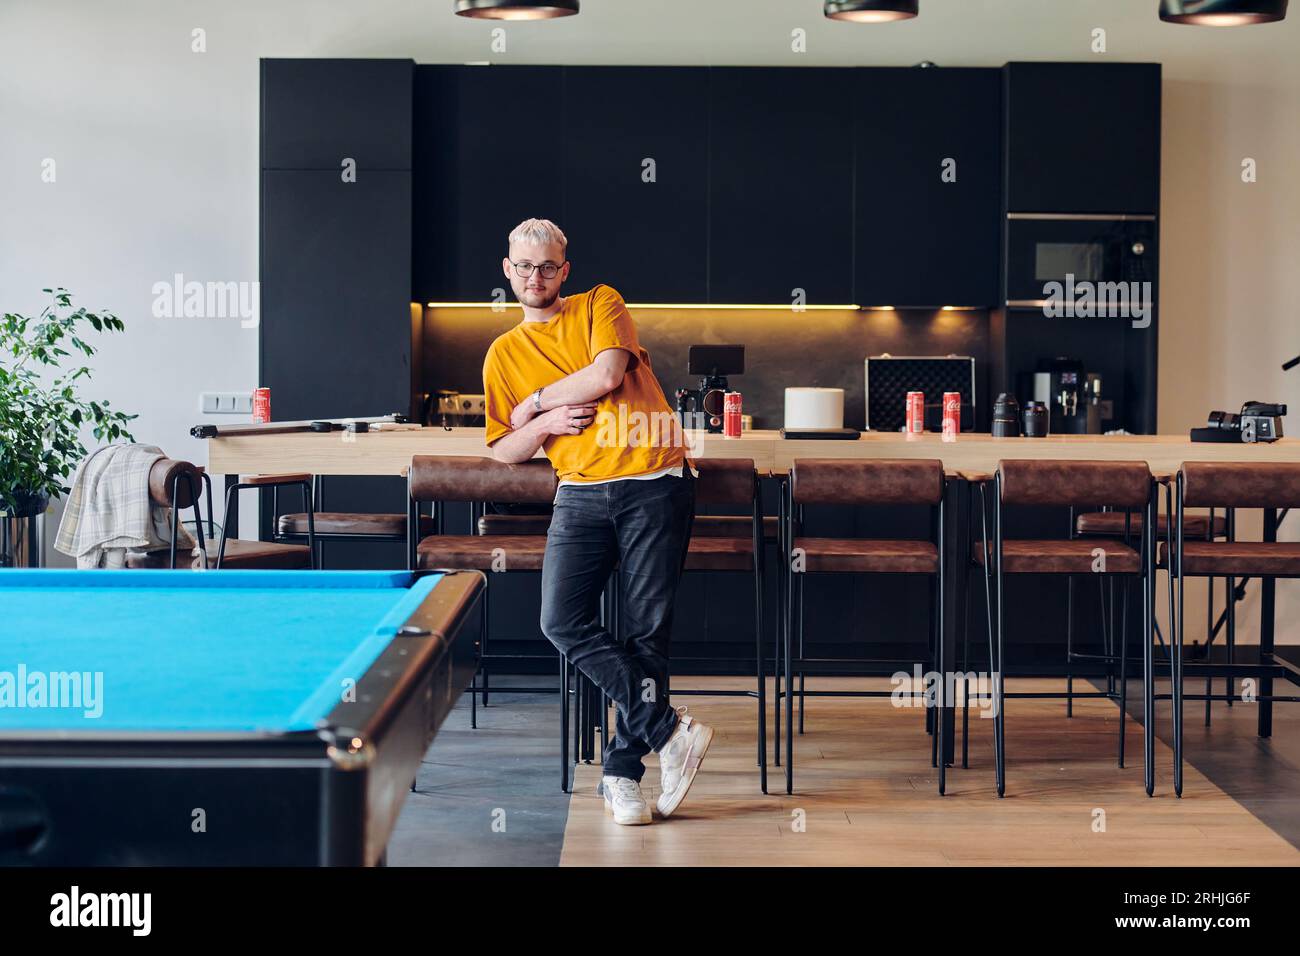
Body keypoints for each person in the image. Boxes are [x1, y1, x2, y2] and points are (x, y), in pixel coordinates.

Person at [482, 217, 712, 825]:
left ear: (566, 270)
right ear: (507, 271)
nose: (537, 277)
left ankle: (621, 775)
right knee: (560, 620)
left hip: (653, 482)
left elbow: (608, 374)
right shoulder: (504, 353)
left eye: (548, 266)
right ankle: (668, 732)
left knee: (645, 636)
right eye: (525, 267)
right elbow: (505, 448)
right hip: (580, 492)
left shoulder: (599, 303)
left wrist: (534, 401)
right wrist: (544, 422)